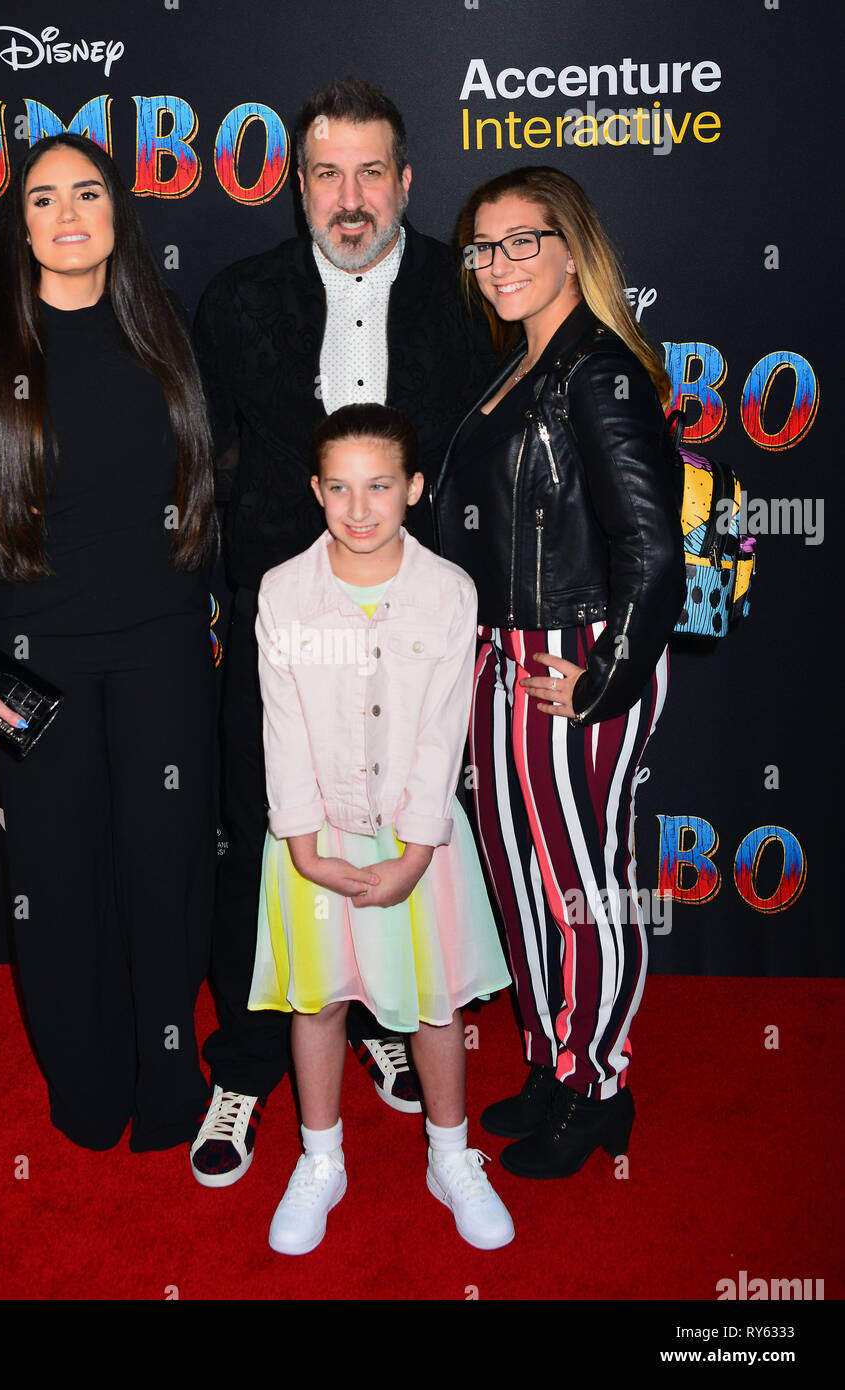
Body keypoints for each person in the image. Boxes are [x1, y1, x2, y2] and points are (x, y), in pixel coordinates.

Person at [190, 78, 498, 1186]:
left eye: (373, 172)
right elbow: (203, 470)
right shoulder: (235, 301)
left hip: (419, 619)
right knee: (270, 829)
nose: (350, 196)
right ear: (298, 189)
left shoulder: (468, 304)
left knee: (408, 822)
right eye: (327, 173)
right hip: (287, 624)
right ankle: (246, 1055)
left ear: (408, 182)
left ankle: (379, 1016)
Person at [0, 132, 217, 1152]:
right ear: (21, 226)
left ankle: (172, 1085)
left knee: (166, 866)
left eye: (86, 192)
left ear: (114, 214)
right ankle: (89, 1089)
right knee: (58, 879)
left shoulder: (164, 339)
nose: (66, 212)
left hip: (163, 651)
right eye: (42, 197)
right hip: (31, 660)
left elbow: (200, 495)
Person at [433, 166, 685, 1179]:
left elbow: (651, 547)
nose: (497, 265)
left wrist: (604, 679)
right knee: (524, 887)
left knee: (584, 887)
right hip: (505, 660)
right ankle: (552, 1058)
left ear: (572, 247)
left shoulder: (597, 370)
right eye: (482, 248)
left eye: (521, 242)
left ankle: (599, 1087)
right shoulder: (514, 367)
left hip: (574, 659)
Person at [250, 403, 513, 1254]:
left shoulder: (448, 592)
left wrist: (413, 850)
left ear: (414, 489)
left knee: (431, 1005)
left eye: (379, 487)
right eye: (338, 488)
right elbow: (280, 725)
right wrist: (302, 846)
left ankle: (448, 1154)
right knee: (316, 999)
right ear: (315, 490)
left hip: (415, 838)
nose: (358, 510)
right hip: (313, 836)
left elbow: (444, 730)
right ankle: (320, 1158)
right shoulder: (284, 591)